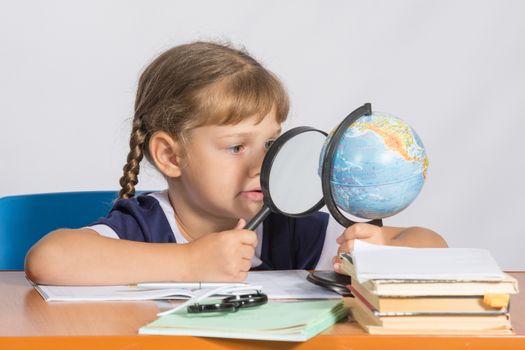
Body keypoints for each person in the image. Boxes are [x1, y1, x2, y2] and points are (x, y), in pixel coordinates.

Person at [24, 41, 447, 286]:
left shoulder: (291, 224)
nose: (262, 164)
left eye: (271, 143)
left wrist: (383, 251)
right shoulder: (145, 227)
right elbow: (50, 258)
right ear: (170, 156)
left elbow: (433, 246)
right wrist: (191, 263)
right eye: (235, 147)